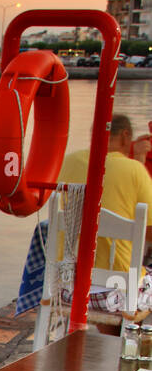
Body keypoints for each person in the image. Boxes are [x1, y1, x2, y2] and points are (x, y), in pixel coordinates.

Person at [59, 113, 152, 269]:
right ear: (125, 135)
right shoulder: (135, 170)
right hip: (118, 278)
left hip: (66, 274)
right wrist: (139, 160)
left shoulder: (69, 161)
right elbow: (149, 232)